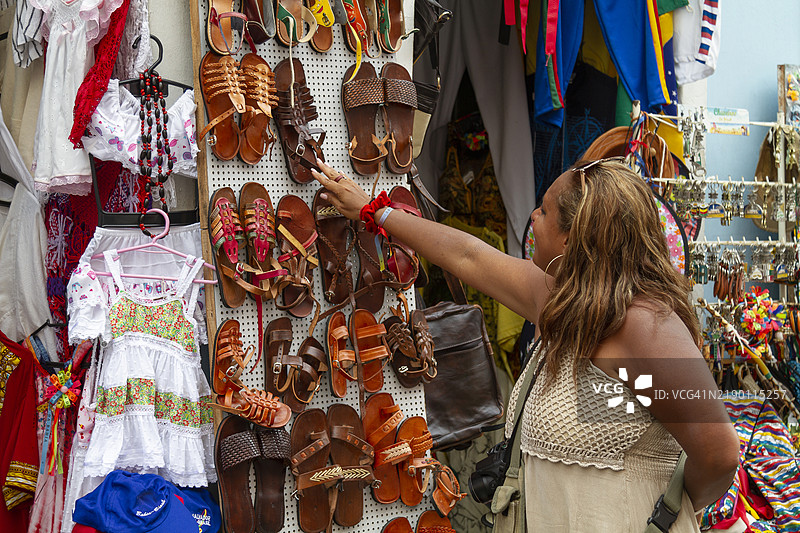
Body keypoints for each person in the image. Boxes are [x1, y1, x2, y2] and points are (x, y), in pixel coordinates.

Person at [311, 157, 740, 532]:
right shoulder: (564, 302)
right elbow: (468, 256)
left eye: (545, 210)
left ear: (573, 239)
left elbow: (718, 455)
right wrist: (377, 213)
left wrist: (663, 514)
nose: (533, 216)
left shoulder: (644, 327)